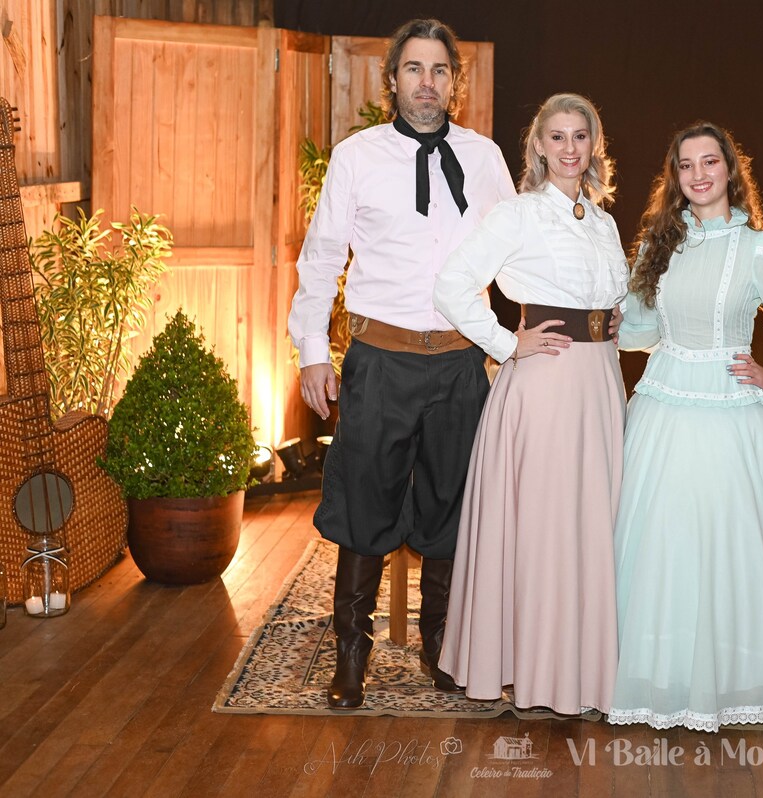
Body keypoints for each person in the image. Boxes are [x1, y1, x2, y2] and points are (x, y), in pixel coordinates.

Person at [287, 18, 516, 709]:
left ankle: (440, 645)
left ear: (455, 82)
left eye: (439, 70)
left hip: (458, 362)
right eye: (414, 69)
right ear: (392, 79)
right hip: (379, 362)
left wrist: (564, 321)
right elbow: (321, 259)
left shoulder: (484, 158)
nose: (426, 83)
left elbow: (519, 253)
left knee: (452, 506)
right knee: (365, 505)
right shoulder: (357, 157)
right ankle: (351, 654)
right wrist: (311, 352)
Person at [608, 122, 763, 732]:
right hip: (662, 405)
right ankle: (657, 676)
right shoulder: (661, 244)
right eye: (686, 165)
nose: (699, 175)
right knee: (662, 544)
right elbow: (637, 328)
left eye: (709, 162)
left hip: (733, 412)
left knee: (732, 546)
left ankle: (735, 680)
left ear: (730, 170)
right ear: (675, 177)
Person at [433, 93, 627, 715]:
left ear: (594, 145)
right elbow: (451, 286)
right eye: (558, 137)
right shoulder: (518, 215)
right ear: (539, 146)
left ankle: (585, 669)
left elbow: (613, 301)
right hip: (545, 385)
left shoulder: (603, 222)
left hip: (600, 385)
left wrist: (620, 321)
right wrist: (506, 343)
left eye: (580, 136)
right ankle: (539, 673)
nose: (570, 148)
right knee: (545, 528)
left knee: (590, 527)